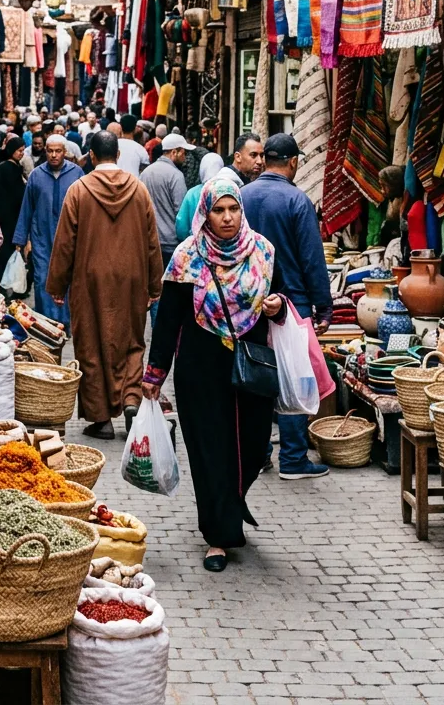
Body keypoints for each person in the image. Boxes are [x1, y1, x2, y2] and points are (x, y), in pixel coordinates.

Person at [142, 177, 286, 571]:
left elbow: (283, 296)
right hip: (199, 369)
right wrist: (154, 374)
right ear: (205, 213)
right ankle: (219, 537)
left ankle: (232, 503)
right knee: (210, 453)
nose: (226, 217)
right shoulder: (186, 257)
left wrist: (277, 305)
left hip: (251, 367)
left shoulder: (263, 251)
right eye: (218, 210)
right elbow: (168, 321)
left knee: (254, 446)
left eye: (233, 209)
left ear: (242, 210)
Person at [46, 131, 162, 439]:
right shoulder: (139, 190)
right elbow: (152, 243)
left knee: (91, 344)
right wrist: (155, 286)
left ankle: (101, 419)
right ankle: (131, 399)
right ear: (118, 156)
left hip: (89, 281)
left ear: (92, 156)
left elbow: (65, 242)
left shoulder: (78, 190)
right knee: (132, 342)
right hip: (132, 281)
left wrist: (57, 283)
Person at [240, 133, 332, 479]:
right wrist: (323, 306)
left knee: (258, 375)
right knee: (295, 374)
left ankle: (259, 453)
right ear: (293, 162)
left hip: (249, 301)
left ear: (265, 159)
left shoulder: (242, 196)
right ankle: (293, 458)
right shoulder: (297, 200)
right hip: (292, 303)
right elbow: (312, 259)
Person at [13, 134, 84, 325]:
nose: (53, 155)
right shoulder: (36, 175)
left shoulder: (77, 174)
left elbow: (85, 209)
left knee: (67, 280)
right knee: (42, 280)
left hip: (70, 240)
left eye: (58, 151)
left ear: (65, 152)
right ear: (45, 151)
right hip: (41, 239)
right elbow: (27, 208)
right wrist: (22, 241)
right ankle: (46, 324)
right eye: (50, 151)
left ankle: (65, 324)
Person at [141, 133, 194, 325]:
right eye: (183, 153)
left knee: (154, 289)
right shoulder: (175, 176)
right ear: (175, 152)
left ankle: (156, 328)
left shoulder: (146, 173)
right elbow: (181, 212)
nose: (185, 157)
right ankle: (162, 331)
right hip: (170, 243)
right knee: (167, 293)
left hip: (149, 241)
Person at [0, 137, 28, 282]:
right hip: (7, 217)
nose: (22, 154)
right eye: (19, 151)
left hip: (4, 216)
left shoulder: (7, 167)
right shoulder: (9, 169)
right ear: (11, 150)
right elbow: (16, 194)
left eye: (23, 151)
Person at [176, 152, 225, 241]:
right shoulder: (228, 191)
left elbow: (181, 226)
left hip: (195, 243)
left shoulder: (192, 193)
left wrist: (188, 242)